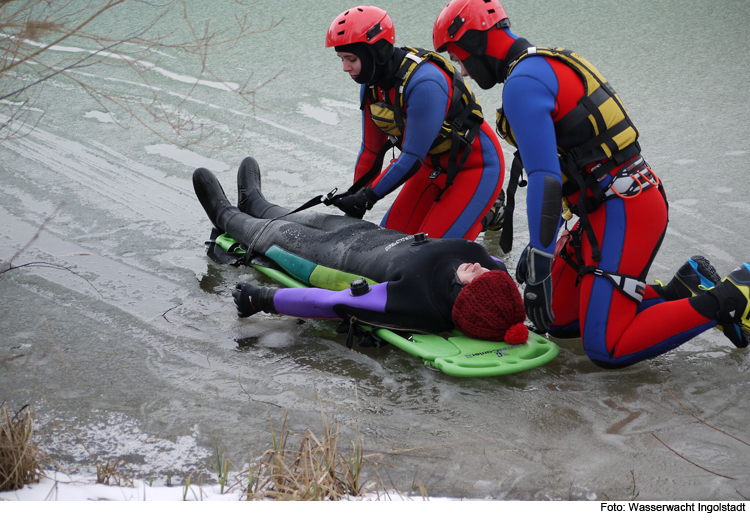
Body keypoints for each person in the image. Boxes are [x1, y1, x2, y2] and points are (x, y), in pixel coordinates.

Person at [432, 0, 750, 367]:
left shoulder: (522, 84)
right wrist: (548, 247)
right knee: (559, 319)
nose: (463, 71)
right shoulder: (544, 63)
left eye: (458, 58)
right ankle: (686, 288)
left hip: (628, 207)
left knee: (607, 348)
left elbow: (546, 180)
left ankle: (733, 296)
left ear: (475, 43)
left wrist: (539, 262)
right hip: (608, 207)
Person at [193, 156, 529, 345]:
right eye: (490, 274)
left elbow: (335, 303)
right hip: (363, 233)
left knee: (268, 232)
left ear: (463, 298)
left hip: (323, 257)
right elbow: (501, 288)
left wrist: (263, 299)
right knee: (302, 215)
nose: (480, 267)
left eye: (479, 279)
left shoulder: (417, 300)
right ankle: (256, 201)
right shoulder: (487, 268)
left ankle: (226, 214)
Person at [325, 5, 505, 241]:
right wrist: (355, 197)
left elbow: (410, 158)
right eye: (342, 59)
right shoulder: (370, 87)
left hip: (475, 167)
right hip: (430, 166)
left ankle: (491, 212)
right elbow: (371, 151)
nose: (345, 68)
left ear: (377, 53)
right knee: (390, 243)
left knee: (431, 253)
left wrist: (366, 198)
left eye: (351, 59)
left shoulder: (425, 83)